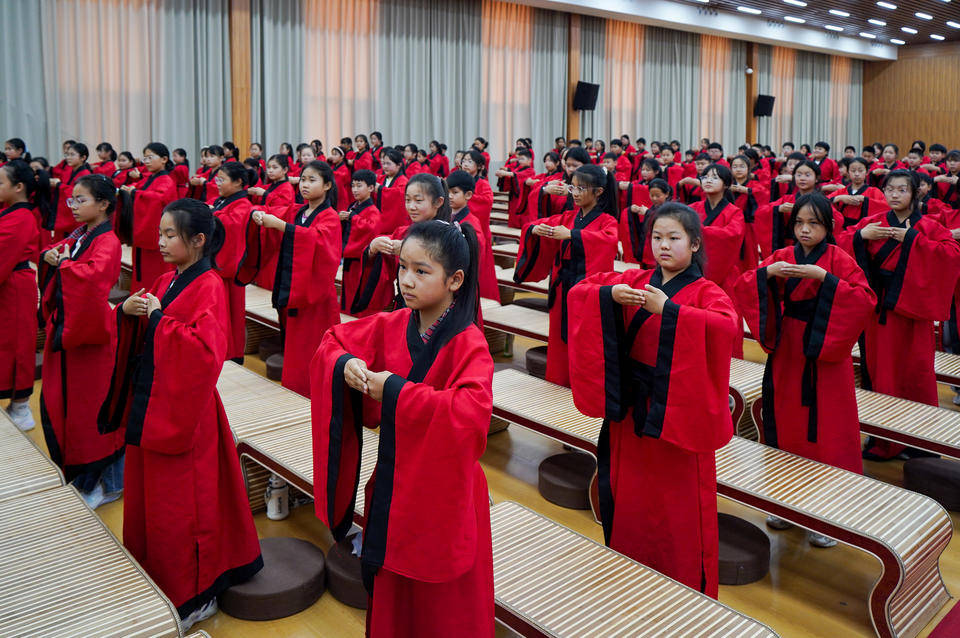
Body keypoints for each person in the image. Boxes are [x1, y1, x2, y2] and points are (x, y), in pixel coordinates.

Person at [311, 219, 494, 637]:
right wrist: (347, 363)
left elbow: (470, 413)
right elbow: (331, 341)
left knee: (443, 606)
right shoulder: (393, 323)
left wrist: (392, 390)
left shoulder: (469, 342)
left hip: (448, 492)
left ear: (455, 280)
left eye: (422, 271)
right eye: (402, 268)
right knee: (396, 596)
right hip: (395, 481)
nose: (406, 281)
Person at [100, 198, 262, 631]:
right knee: (159, 505)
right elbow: (156, 322)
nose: (161, 242)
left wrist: (156, 320)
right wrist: (130, 313)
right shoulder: (171, 278)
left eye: (170, 235)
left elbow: (206, 355)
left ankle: (195, 593)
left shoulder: (209, 284)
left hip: (188, 414)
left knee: (185, 509)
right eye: (160, 234)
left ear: (198, 240)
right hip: (160, 404)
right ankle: (159, 577)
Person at [567, 202, 738, 598]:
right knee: (632, 502)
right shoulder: (637, 278)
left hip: (676, 418)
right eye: (656, 237)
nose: (663, 246)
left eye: (674, 238)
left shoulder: (706, 292)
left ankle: (682, 590)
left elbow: (726, 327)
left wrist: (671, 310)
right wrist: (611, 293)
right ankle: (630, 573)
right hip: (632, 413)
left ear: (695, 244)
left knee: (676, 513)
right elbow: (583, 290)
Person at [733, 193, 876, 546]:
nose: (805, 230)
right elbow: (744, 284)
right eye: (799, 223)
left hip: (825, 355)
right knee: (784, 424)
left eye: (813, 223)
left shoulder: (838, 258)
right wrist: (766, 273)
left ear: (827, 227)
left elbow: (864, 299)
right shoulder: (782, 257)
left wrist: (825, 279)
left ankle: (827, 517)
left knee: (827, 430)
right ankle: (784, 505)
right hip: (788, 351)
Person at [839, 170, 960, 460]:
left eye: (902, 190)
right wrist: (859, 236)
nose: (894, 195)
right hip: (879, 313)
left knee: (917, 374)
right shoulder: (871, 223)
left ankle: (921, 443)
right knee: (881, 374)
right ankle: (884, 441)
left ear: (916, 193)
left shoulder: (929, 226)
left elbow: (952, 254)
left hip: (912, 312)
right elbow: (838, 244)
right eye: (889, 189)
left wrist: (913, 240)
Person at [38, 174, 124, 508]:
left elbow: (91, 277)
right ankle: (86, 476)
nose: (72, 206)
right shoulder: (82, 235)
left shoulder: (109, 241)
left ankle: (107, 482)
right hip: (76, 330)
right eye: (71, 199)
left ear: (103, 204)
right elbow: (67, 260)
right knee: (73, 408)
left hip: (93, 338)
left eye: (81, 200)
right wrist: (58, 259)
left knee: (94, 413)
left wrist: (65, 264)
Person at [514, 164, 619, 386]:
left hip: (586, 289)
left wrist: (573, 235)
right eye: (573, 188)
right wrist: (534, 230)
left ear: (598, 192)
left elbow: (607, 241)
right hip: (562, 287)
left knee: (585, 338)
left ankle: (583, 387)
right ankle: (558, 380)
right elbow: (535, 225)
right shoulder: (568, 216)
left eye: (582, 188)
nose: (576, 193)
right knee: (559, 340)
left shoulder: (607, 221)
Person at [351, 174, 453, 317]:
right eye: (407, 200)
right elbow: (383, 266)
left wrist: (409, 250)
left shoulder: (450, 235)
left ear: (438, 202)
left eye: (418, 200)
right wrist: (373, 249)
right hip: (406, 306)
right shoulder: (404, 232)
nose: (411, 207)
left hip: (437, 310)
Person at [0, 160, 46, 430]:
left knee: (17, 344)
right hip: (10, 284)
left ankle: (20, 405)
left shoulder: (21, 217)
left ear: (19, 187)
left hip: (14, 289)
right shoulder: (11, 212)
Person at [209, 162, 255, 362]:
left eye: (222, 180)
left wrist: (212, 215)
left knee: (231, 316)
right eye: (217, 179)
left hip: (229, 270)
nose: (217, 183)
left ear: (238, 182)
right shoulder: (223, 201)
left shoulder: (243, 204)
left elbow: (233, 227)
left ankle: (233, 354)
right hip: (218, 268)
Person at [116, 143, 177, 291]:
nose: (146, 161)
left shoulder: (166, 181)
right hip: (142, 239)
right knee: (141, 274)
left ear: (164, 159)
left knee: (156, 277)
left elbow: (156, 199)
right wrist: (129, 190)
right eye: (145, 158)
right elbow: (139, 188)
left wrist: (135, 193)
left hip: (157, 241)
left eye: (150, 157)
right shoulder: (150, 178)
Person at [447, 169, 498, 302]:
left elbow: (473, 259)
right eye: (447, 192)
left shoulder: (471, 223)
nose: (450, 196)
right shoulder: (447, 217)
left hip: (461, 284)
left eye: (454, 192)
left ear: (468, 195)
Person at [338, 169, 381, 317]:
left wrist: (353, 218)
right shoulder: (354, 207)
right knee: (348, 294)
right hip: (350, 258)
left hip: (361, 262)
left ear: (370, 188)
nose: (354, 190)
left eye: (359, 186)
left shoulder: (372, 210)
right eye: (353, 186)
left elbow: (370, 228)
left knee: (357, 294)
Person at [47, 141, 92, 241]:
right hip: (67, 214)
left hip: (76, 216)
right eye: (67, 155)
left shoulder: (85, 174)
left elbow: (77, 193)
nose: (68, 157)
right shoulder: (70, 171)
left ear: (83, 158)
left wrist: (59, 185)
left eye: (72, 155)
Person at [828, 157, 887, 229]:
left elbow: (886, 207)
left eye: (860, 170)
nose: (856, 174)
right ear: (848, 172)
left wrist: (865, 200)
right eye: (853, 171)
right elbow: (823, 201)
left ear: (867, 172)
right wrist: (839, 198)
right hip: (843, 231)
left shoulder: (874, 191)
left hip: (865, 230)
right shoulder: (841, 192)